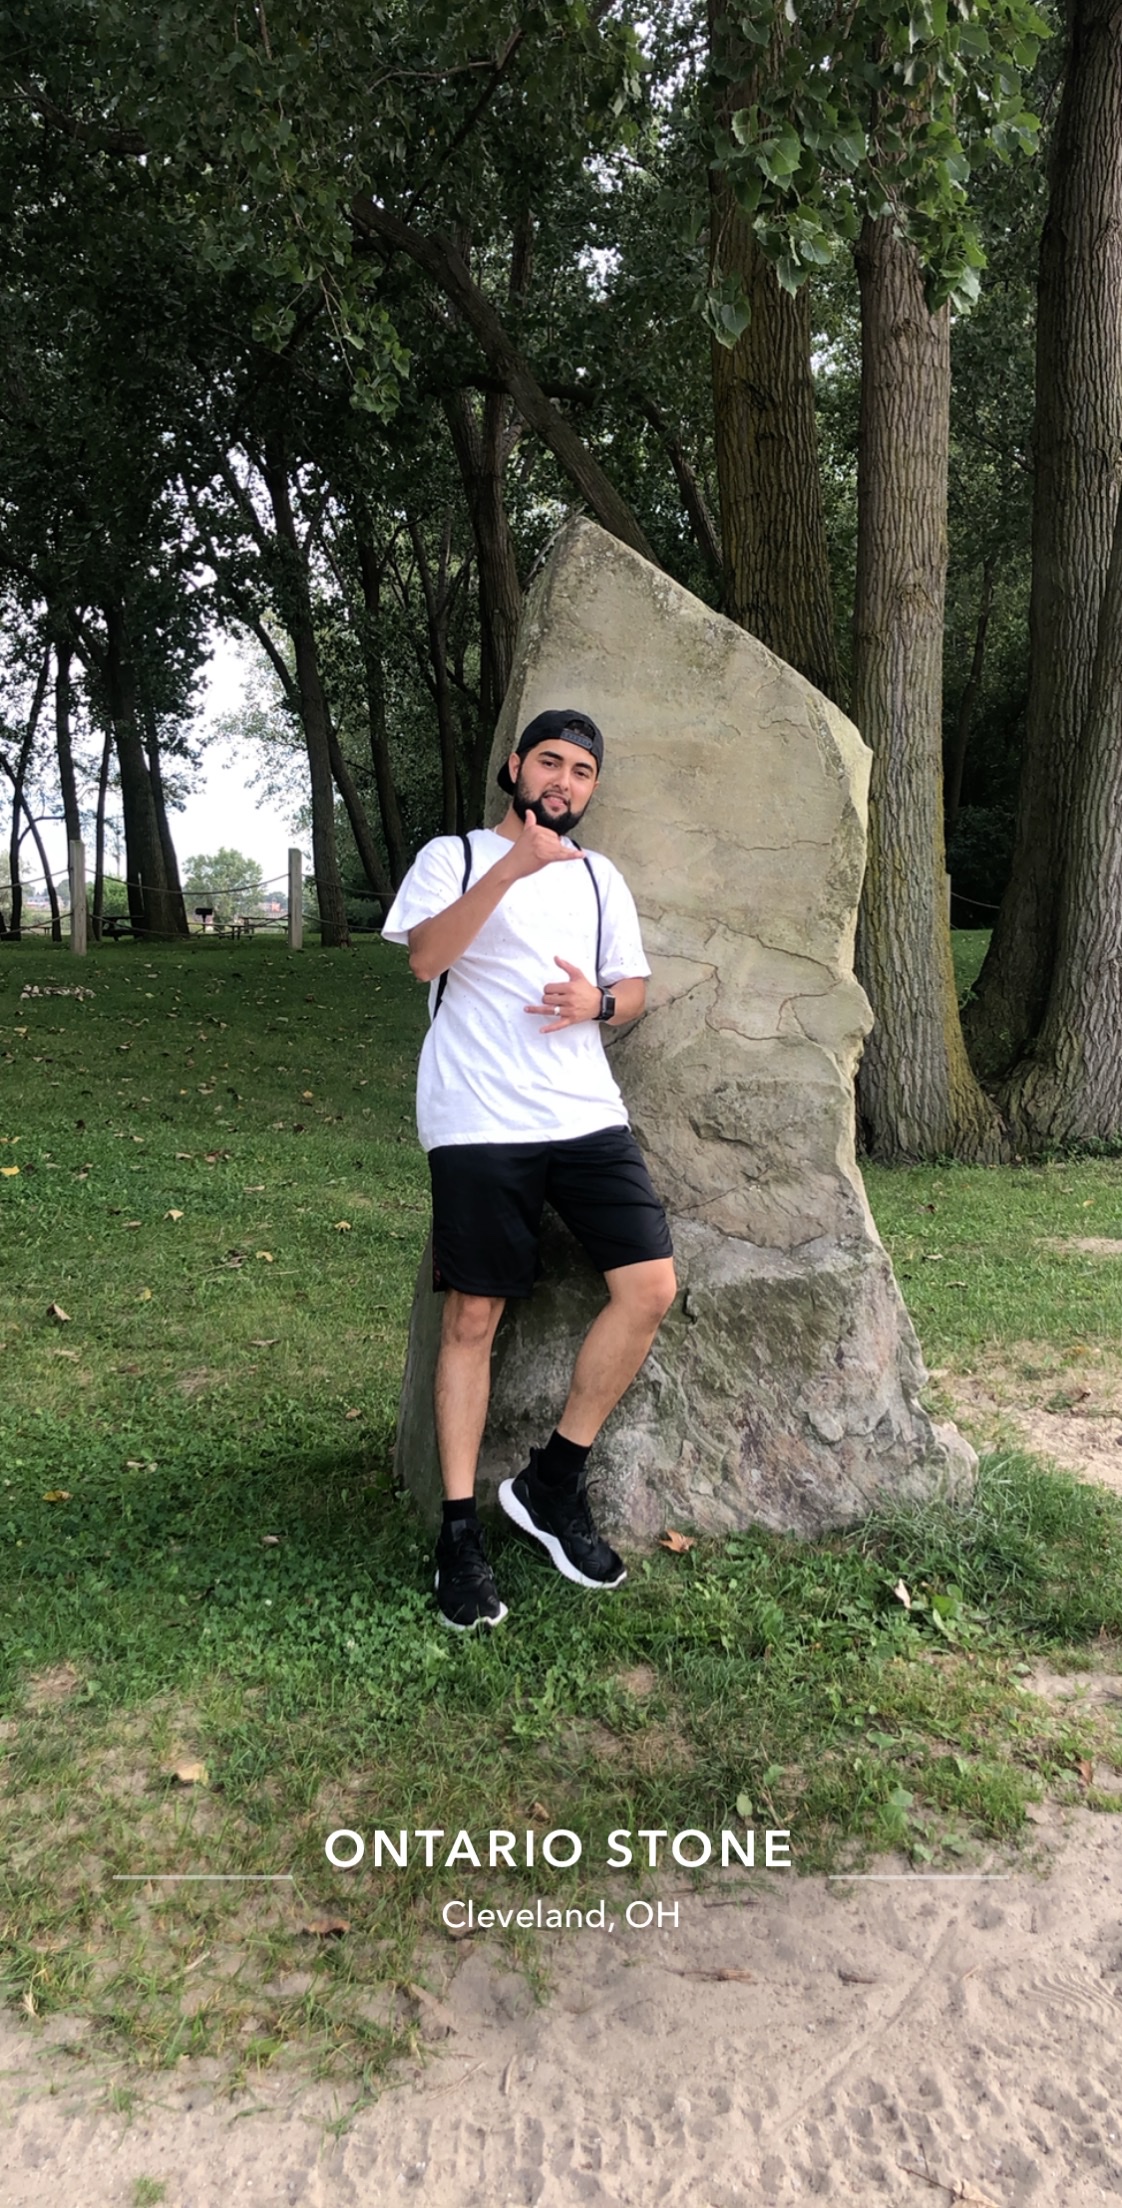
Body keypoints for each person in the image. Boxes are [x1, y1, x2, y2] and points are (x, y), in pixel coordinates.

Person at [382, 708, 676, 1631]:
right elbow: (425, 957)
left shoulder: (599, 877)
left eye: (582, 772)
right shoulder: (455, 857)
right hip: (478, 1118)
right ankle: (458, 1533)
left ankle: (553, 1482)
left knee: (650, 1288)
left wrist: (600, 1004)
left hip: (585, 1115)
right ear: (515, 767)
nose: (564, 782)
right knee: (473, 1317)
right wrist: (512, 867)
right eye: (550, 763)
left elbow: (634, 989)